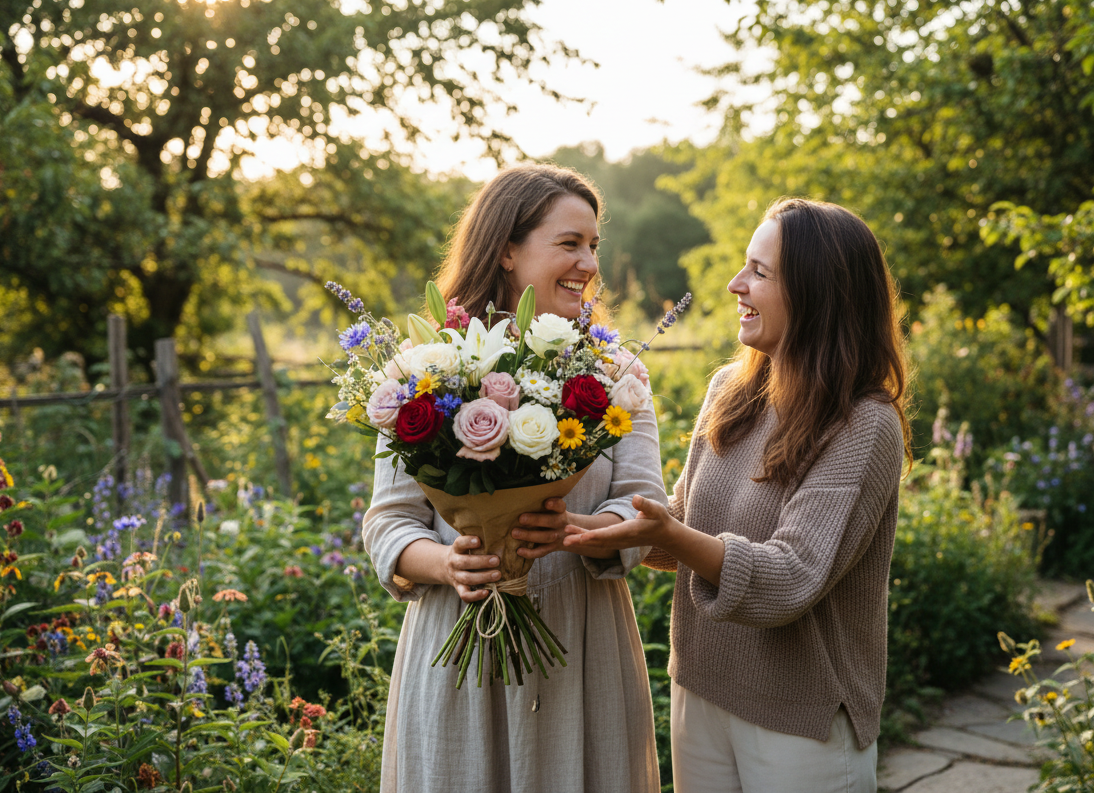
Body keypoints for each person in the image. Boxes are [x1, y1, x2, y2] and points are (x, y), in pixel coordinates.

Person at [564, 198, 910, 793]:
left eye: (760, 272)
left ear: (818, 294)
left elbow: (791, 578)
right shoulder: (731, 389)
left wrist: (665, 533)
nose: (735, 285)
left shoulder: (863, 423)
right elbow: (679, 526)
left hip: (800, 719)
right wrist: (573, 527)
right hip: (700, 691)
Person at [361, 164, 666, 793]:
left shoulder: (616, 377)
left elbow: (644, 509)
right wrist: (447, 564)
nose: (588, 262)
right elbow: (388, 522)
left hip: (583, 650)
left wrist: (579, 531)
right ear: (506, 249)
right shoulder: (423, 371)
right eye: (569, 243)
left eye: (593, 245)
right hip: (455, 651)